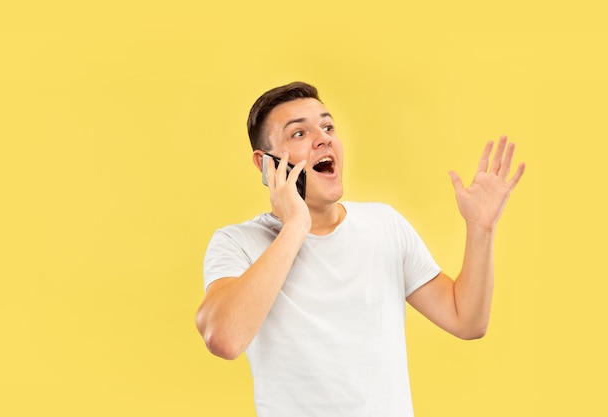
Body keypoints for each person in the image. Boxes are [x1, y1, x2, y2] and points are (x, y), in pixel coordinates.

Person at [195, 81, 525, 417]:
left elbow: (466, 320)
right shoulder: (239, 243)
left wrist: (480, 230)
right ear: (265, 163)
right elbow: (224, 338)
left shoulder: (384, 225)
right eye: (299, 134)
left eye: (327, 126)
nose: (323, 138)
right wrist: (295, 226)